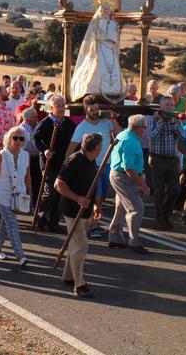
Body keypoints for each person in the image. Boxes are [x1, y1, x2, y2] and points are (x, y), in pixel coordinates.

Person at [55, 133, 102, 298]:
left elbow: (92, 184)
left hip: (86, 211)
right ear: (96, 148)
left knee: (75, 245)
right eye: (100, 146)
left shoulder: (92, 161)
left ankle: (69, 276)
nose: (101, 148)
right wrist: (78, 199)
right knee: (81, 246)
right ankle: (79, 284)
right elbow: (58, 184)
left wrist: (96, 205)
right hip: (72, 210)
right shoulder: (74, 160)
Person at [69, 95, 120, 234]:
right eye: (92, 109)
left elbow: (119, 134)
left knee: (103, 195)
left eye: (97, 109)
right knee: (94, 195)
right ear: (86, 110)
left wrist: (113, 118)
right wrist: (67, 164)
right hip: (91, 166)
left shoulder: (106, 122)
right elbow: (72, 146)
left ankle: (93, 221)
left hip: (107, 164)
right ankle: (93, 225)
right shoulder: (82, 127)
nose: (95, 112)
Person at [108, 114, 151, 254]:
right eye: (144, 127)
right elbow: (129, 168)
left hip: (117, 174)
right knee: (136, 208)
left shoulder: (123, 134)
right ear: (138, 128)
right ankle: (134, 241)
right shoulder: (131, 141)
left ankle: (115, 237)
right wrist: (143, 185)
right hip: (123, 177)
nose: (145, 130)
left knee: (120, 207)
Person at [34, 94, 76, 233]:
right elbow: (36, 138)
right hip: (49, 163)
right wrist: (45, 150)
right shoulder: (45, 123)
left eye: (63, 105)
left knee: (60, 192)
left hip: (63, 163)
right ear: (51, 107)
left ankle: (54, 222)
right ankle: (40, 216)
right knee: (50, 190)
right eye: (58, 106)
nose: (62, 108)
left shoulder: (68, 124)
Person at [0, 126, 30, 266]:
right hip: (1, 195)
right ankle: (20, 256)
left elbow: (27, 176)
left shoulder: (25, 155)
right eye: (15, 138)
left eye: (21, 138)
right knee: (12, 224)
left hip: (17, 196)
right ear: (9, 138)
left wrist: (30, 193)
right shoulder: (1, 155)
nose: (18, 141)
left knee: (6, 225)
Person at [149, 96, 186, 229]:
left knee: (175, 189)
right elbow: (152, 136)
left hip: (172, 159)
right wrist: (162, 121)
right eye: (167, 105)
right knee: (158, 191)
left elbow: (183, 136)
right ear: (161, 106)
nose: (170, 107)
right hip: (157, 159)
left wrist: (173, 123)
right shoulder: (154, 119)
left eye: (171, 105)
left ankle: (167, 213)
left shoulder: (175, 119)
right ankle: (160, 217)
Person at [18, 107, 42, 207]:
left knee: (37, 182)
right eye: (34, 117)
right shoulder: (21, 130)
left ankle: (36, 203)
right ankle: (26, 204)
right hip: (26, 159)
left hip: (37, 158)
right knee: (27, 183)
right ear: (26, 118)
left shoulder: (37, 126)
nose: (36, 119)